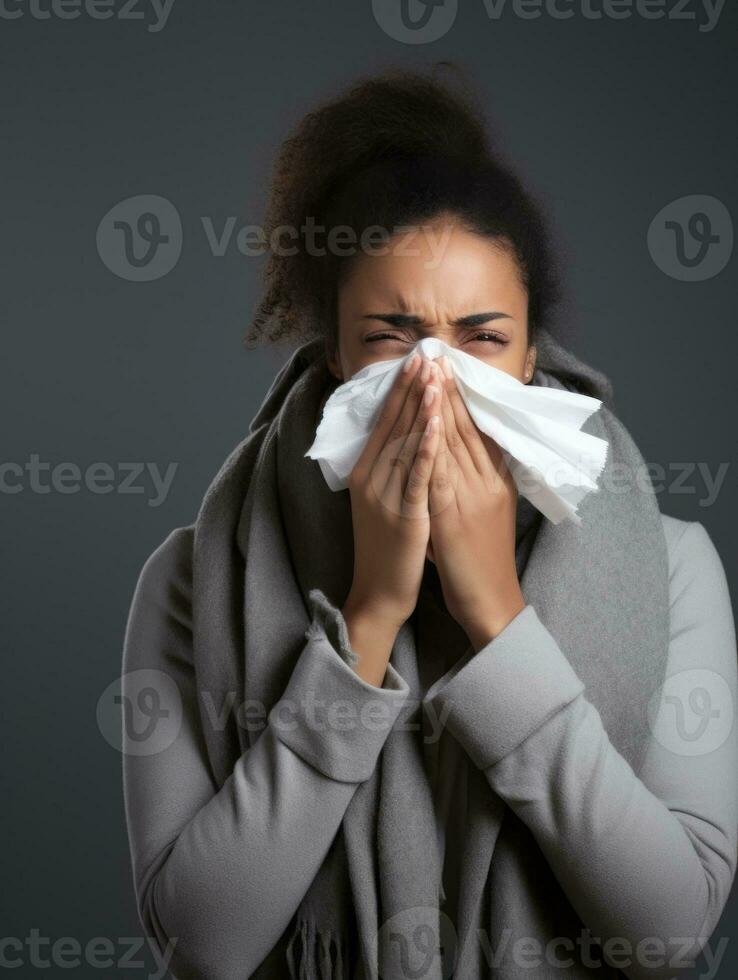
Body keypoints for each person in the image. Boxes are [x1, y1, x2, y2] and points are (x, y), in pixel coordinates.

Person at [121, 67, 737, 980]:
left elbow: (670, 932)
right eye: (391, 338)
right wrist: (366, 621)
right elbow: (204, 946)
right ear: (334, 354)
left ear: (532, 358)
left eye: (482, 339)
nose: (436, 379)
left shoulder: (672, 564)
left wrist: (497, 613)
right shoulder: (194, 576)